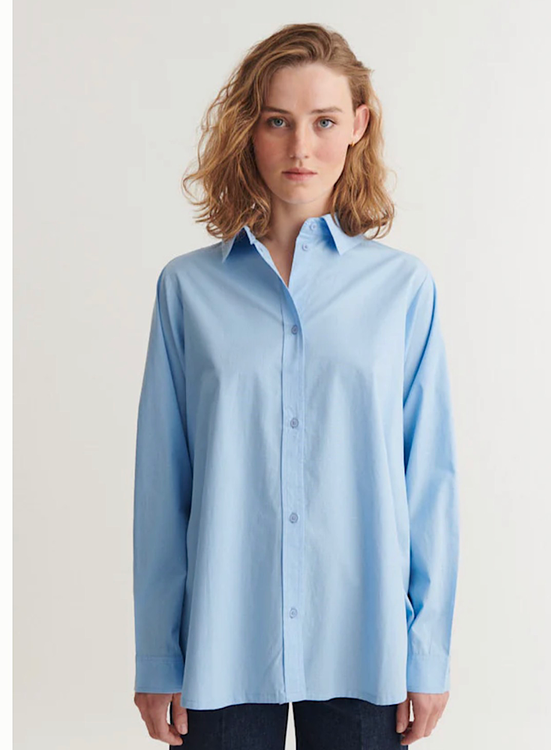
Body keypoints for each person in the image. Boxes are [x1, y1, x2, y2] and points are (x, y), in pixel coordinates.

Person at [132, 22, 460, 750]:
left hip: (364, 643)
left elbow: (429, 481)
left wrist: (427, 651)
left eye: (324, 121)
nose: (301, 147)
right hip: (221, 645)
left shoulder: (403, 290)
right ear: (249, 130)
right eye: (277, 121)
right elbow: (162, 484)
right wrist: (158, 653)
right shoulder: (187, 290)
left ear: (359, 126)